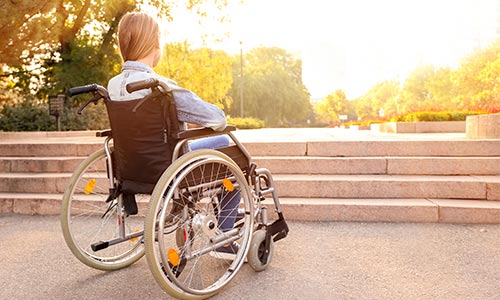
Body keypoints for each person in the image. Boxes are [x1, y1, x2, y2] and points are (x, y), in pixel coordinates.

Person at [107, 12, 239, 257]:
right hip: (171, 165)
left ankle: (185, 206)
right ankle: (224, 236)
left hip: (133, 167)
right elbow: (217, 119)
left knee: (205, 149)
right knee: (228, 148)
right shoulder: (159, 86)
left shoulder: (112, 86)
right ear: (155, 44)